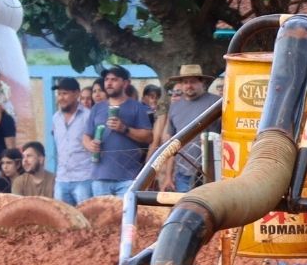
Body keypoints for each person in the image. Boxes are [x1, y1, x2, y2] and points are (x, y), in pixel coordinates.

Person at [83, 65, 152, 196]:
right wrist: (90, 145)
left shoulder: (137, 107)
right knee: (102, 216)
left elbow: (149, 137)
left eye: (114, 79)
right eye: (107, 79)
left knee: (126, 216)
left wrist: (125, 129)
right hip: (100, 176)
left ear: (125, 83)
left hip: (128, 177)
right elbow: (86, 136)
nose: (108, 83)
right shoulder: (97, 108)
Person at [154, 64, 215, 192]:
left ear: (202, 82)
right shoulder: (175, 107)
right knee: (185, 210)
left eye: (193, 81)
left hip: (211, 173)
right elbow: (172, 145)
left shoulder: (216, 103)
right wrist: (168, 177)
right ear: (181, 85)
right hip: (183, 174)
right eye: (185, 82)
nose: (189, 85)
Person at [48, 77, 96, 205]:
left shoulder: (88, 116)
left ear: (77, 94)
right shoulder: (55, 118)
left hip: (84, 178)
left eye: (65, 93)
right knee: (62, 220)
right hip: (61, 179)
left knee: (86, 219)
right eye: (59, 94)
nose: (61, 98)